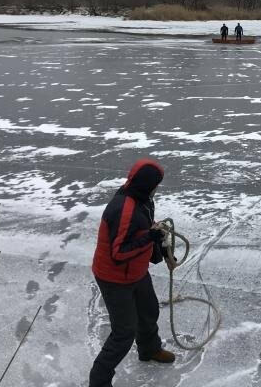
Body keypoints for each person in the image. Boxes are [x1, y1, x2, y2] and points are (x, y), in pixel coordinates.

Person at [89, 159, 176, 387]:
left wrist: (164, 252)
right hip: (114, 278)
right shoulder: (123, 209)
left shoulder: (143, 200)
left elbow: (149, 227)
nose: (158, 188)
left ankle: (149, 349)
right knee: (123, 333)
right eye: (157, 184)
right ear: (147, 184)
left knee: (148, 311)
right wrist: (150, 237)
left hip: (136, 272)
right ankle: (98, 381)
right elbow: (118, 253)